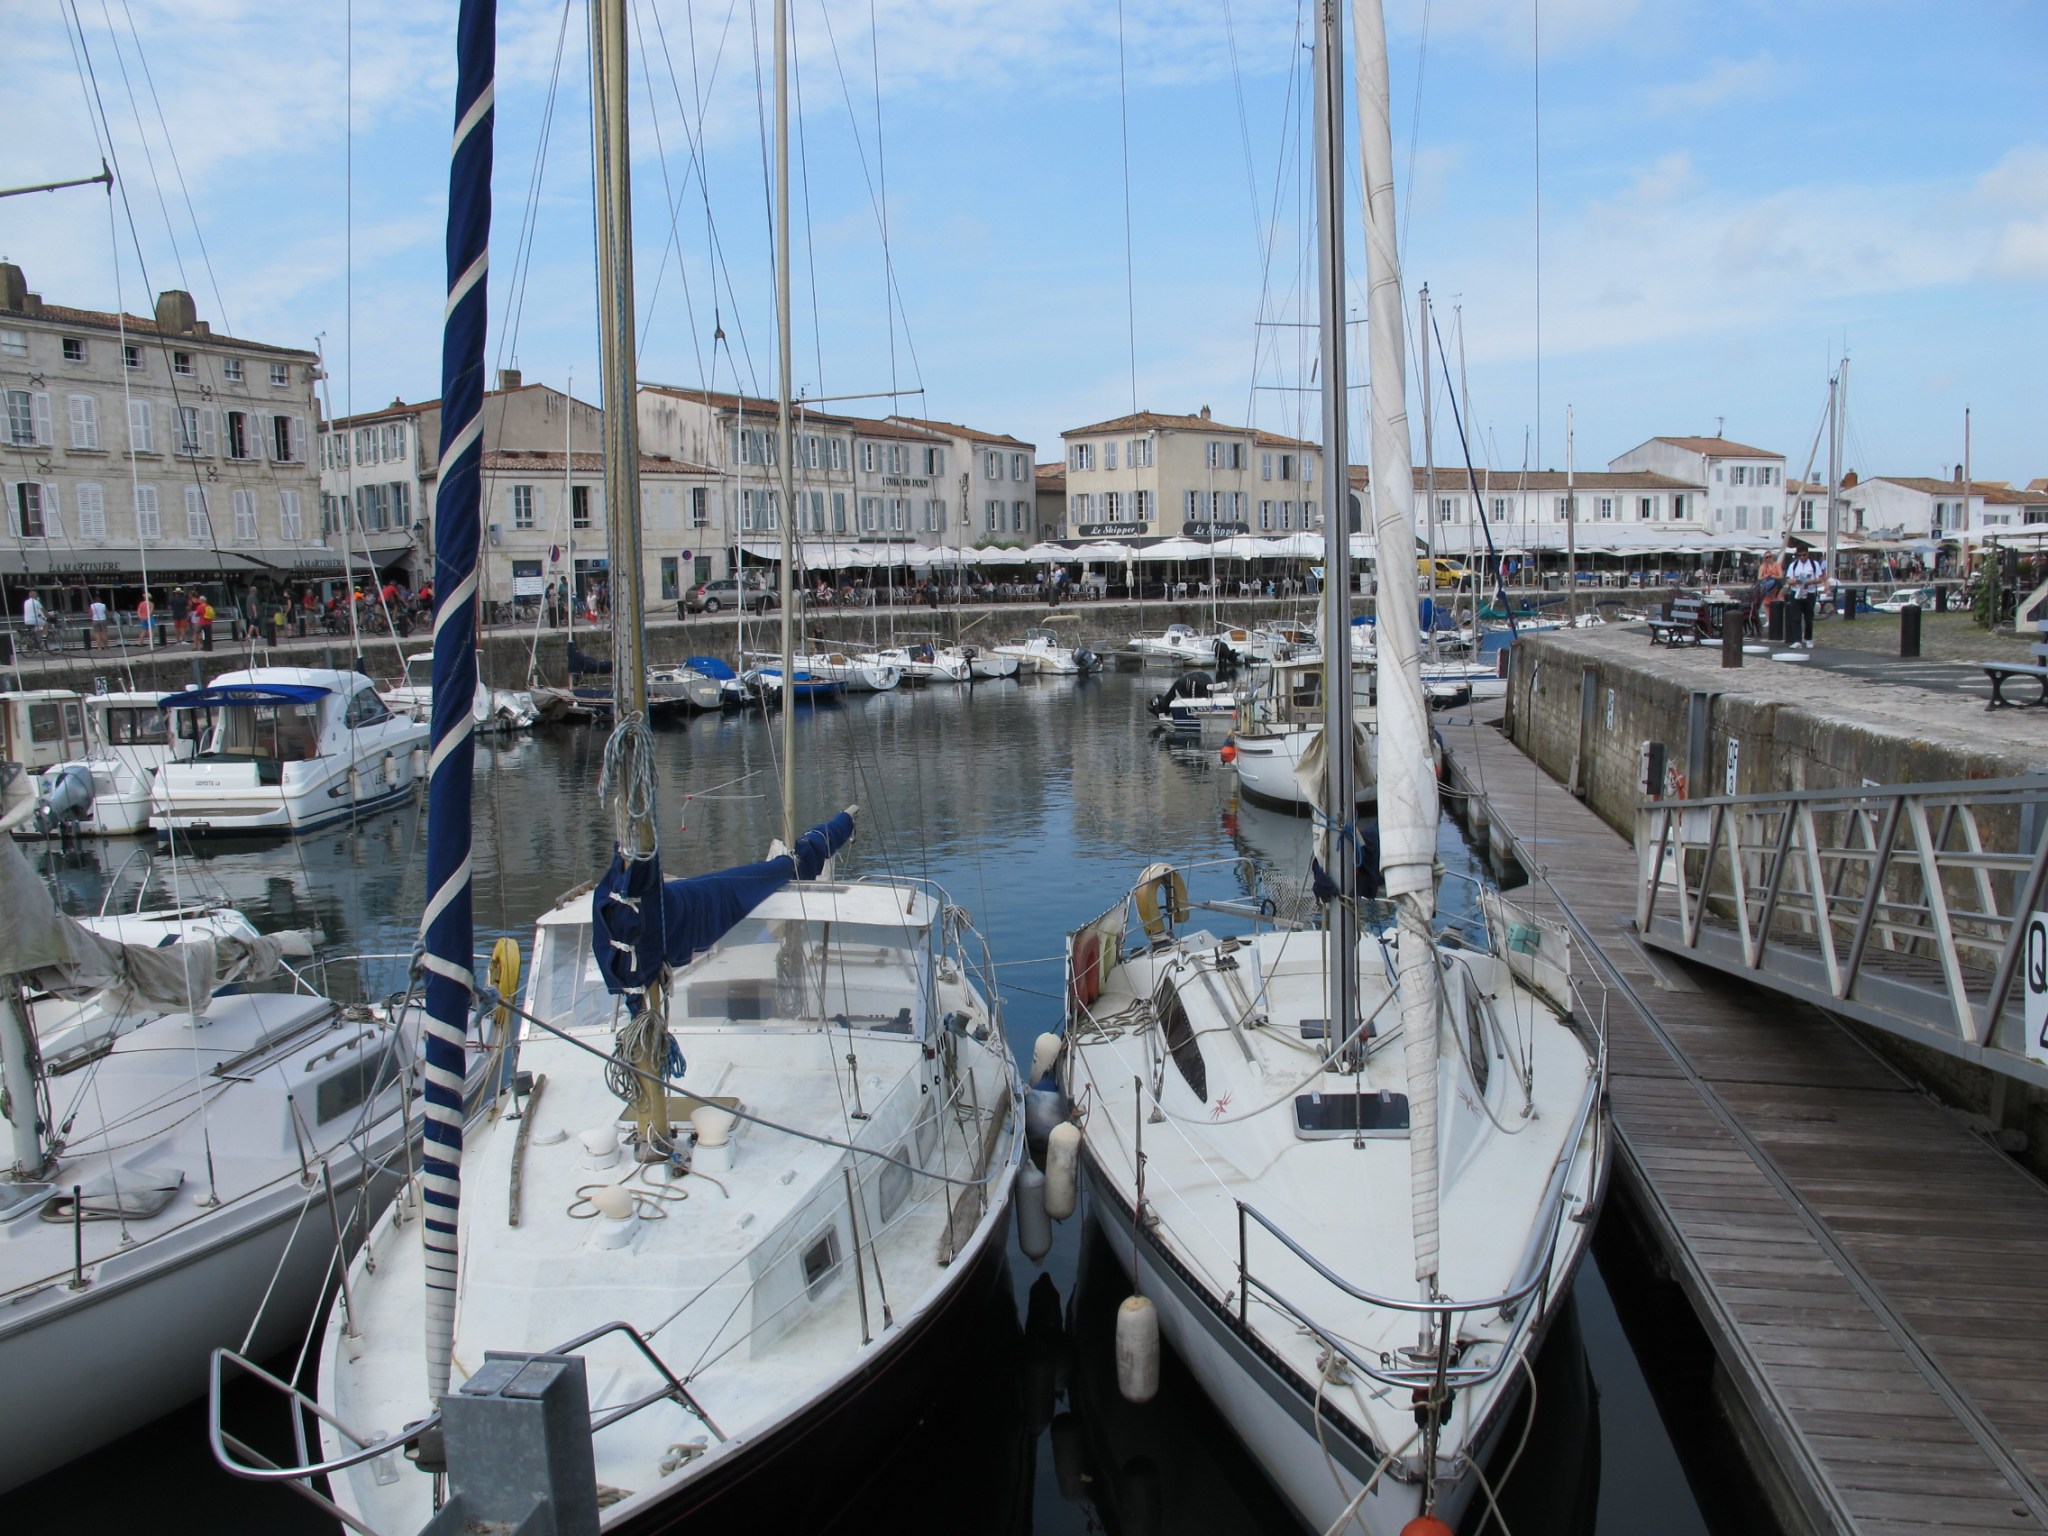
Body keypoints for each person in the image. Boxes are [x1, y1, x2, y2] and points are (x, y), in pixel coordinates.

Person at [1784, 542, 1826, 650]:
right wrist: (1796, 581)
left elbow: (1820, 578)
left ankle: (1808, 638)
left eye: (1804, 555)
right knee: (1796, 617)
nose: (1802, 557)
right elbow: (1788, 580)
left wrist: (1810, 581)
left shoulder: (1814, 564)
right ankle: (1797, 640)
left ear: (1808, 554)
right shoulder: (1793, 565)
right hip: (1796, 592)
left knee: (1808, 617)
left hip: (1809, 592)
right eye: (1800, 555)